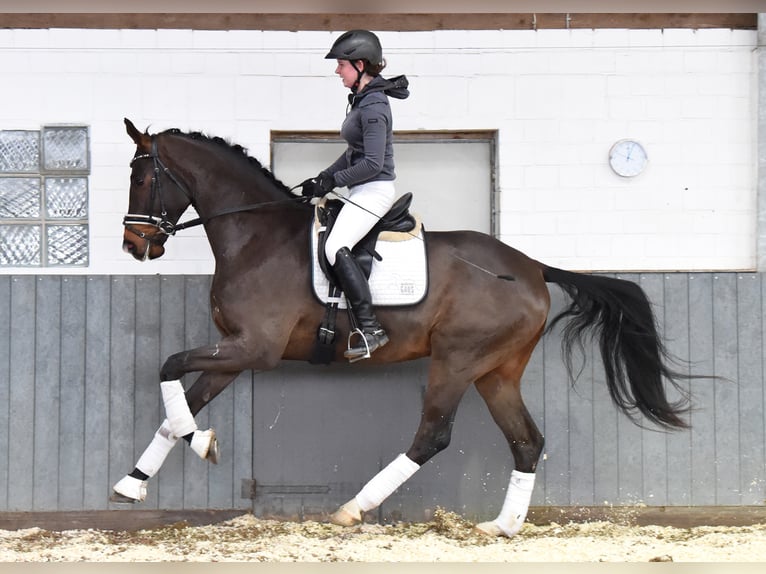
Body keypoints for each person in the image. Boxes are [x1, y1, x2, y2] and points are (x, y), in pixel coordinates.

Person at [303, 29, 410, 361]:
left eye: (341, 65)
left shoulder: (375, 105)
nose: (338, 71)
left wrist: (333, 180)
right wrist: (324, 177)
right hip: (361, 188)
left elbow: (373, 163)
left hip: (374, 190)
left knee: (336, 246)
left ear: (360, 65)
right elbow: (354, 154)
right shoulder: (363, 100)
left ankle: (371, 328)